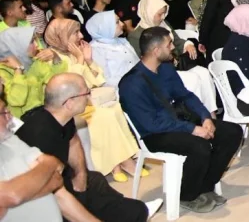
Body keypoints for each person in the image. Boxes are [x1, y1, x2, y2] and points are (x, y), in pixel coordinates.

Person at [119, 27, 243, 214]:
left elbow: (186, 96)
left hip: (178, 121)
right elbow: (151, 124)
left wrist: (205, 117)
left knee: (232, 132)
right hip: (155, 134)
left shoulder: (166, 69)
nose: (173, 47)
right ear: (156, 51)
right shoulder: (131, 84)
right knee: (199, 146)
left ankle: (203, 186)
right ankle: (186, 195)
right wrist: (193, 129)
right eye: (169, 44)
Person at [16, 74, 161, 222]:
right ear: (69, 102)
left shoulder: (62, 117)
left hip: (60, 181)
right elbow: (53, 195)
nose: (89, 97)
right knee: (126, 210)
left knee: (94, 179)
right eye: (86, 93)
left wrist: (80, 174)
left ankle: (128, 209)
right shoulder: (40, 134)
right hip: (40, 200)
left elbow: (73, 141)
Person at [42, 19, 142, 183]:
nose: (80, 36)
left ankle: (122, 161)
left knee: (115, 109)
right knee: (104, 116)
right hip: (68, 107)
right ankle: (118, 163)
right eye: (75, 33)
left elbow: (96, 81)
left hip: (84, 101)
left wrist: (88, 60)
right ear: (61, 36)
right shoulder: (53, 58)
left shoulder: (72, 53)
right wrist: (80, 59)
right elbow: (71, 87)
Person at [126, 0, 218, 114]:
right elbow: (145, 61)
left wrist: (187, 44)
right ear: (149, 12)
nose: (163, 17)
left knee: (204, 73)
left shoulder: (164, 24)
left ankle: (211, 114)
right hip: (160, 73)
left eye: (164, 13)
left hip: (176, 64)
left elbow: (177, 41)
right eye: (159, 14)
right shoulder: (136, 35)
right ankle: (198, 116)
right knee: (194, 79)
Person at [0, 94, 67, 222]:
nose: (11, 118)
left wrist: (22, 191)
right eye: (4, 113)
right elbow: (12, 196)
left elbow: (57, 178)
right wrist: (50, 163)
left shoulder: (10, 139)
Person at [0, 26, 66, 118]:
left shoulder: (33, 62)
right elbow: (17, 100)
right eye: (31, 42)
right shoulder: (2, 72)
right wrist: (18, 70)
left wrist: (56, 57)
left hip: (41, 115)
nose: (37, 45)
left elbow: (57, 82)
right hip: (20, 125)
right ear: (16, 46)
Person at [86, 12, 139, 87]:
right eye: (117, 22)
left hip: (137, 84)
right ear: (106, 27)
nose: (122, 24)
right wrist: (132, 80)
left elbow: (137, 63)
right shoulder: (96, 49)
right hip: (119, 92)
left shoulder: (121, 41)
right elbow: (104, 81)